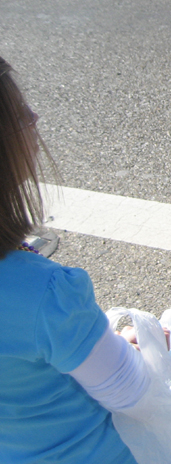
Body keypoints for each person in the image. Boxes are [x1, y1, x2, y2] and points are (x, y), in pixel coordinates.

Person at [0, 57, 151, 463]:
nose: (34, 117)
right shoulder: (42, 294)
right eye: (16, 114)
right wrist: (130, 346)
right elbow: (130, 391)